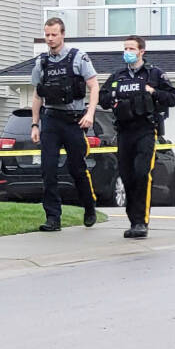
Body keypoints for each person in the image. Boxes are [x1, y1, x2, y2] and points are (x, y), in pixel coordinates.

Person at [99, 35, 175, 239]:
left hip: (145, 130)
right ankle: (133, 221)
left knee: (142, 173)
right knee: (127, 176)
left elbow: (172, 98)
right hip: (124, 131)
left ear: (142, 51)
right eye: (125, 48)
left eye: (131, 48)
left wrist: (152, 91)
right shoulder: (118, 76)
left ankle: (141, 222)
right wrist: (114, 97)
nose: (127, 51)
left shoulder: (154, 74)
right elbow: (103, 98)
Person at [30, 17, 100, 231]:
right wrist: (35, 125)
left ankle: (89, 207)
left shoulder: (78, 57)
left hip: (73, 121)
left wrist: (90, 113)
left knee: (77, 168)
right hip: (51, 120)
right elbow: (36, 95)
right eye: (47, 35)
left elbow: (94, 86)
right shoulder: (41, 62)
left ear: (62, 34)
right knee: (48, 169)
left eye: (54, 34)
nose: (49, 39)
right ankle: (53, 217)